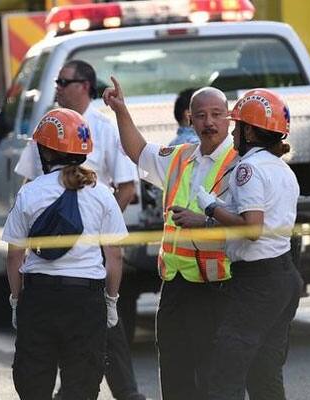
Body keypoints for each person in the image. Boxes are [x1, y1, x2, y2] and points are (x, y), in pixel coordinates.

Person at [14, 60, 145, 400]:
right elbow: (31, 185)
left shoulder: (103, 129)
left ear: (84, 85)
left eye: (63, 80)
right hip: (76, 276)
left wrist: (94, 232)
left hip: (75, 266)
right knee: (83, 358)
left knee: (95, 341)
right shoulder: (48, 129)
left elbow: (128, 188)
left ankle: (128, 393)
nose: (57, 86)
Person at [103, 77, 238, 400]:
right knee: (176, 373)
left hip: (217, 286)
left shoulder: (241, 164)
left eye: (217, 114)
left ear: (229, 118)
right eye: (201, 115)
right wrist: (121, 111)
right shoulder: (179, 157)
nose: (209, 122)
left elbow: (249, 225)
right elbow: (138, 151)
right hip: (176, 284)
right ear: (189, 119)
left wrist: (203, 221)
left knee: (213, 376)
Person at [3, 108, 127, 399]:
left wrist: (17, 300)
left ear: (46, 152)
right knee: (82, 386)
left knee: (33, 382)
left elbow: (14, 257)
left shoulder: (30, 193)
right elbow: (114, 257)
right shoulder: (101, 194)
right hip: (86, 301)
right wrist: (111, 301)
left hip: (40, 298)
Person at [197, 89, 302, 400]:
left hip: (257, 282)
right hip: (283, 275)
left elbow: (252, 228)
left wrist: (210, 207)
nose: (232, 131)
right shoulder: (282, 169)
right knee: (265, 374)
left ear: (250, 131)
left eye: (237, 126)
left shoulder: (249, 168)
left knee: (225, 374)